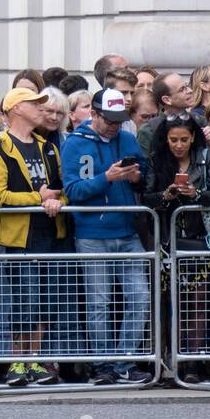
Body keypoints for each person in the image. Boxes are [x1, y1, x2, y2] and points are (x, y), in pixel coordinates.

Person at [62, 88, 149, 385]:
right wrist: (106, 179)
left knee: (139, 297)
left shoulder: (127, 137)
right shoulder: (74, 144)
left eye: (118, 119)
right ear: (94, 114)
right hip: (92, 233)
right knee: (99, 302)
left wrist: (137, 177)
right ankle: (102, 365)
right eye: (109, 119)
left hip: (126, 230)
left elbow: (144, 175)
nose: (114, 125)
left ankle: (123, 362)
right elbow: (73, 191)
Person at [0, 88, 68, 387]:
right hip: (20, 237)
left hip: (49, 233)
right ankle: (17, 363)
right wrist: (38, 198)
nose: (42, 109)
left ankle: (33, 361)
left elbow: (62, 189)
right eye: (35, 104)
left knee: (44, 302)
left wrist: (57, 201)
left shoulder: (48, 148)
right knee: (23, 302)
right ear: (16, 108)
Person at [141, 114, 210, 382]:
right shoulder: (157, 159)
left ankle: (193, 361)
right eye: (173, 140)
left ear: (193, 138)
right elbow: (147, 196)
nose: (178, 145)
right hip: (165, 239)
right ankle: (167, 360)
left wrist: (195, 195)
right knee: (166, 302)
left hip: (198, 237)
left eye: (184, 140)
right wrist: (167, 195)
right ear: (165, 139)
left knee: (196, 301)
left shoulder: (205, 156)